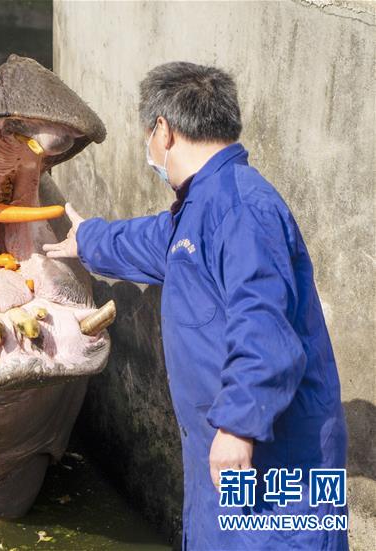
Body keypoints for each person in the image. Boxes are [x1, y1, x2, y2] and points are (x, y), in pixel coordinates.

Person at [43, 62, 348, 550]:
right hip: (229, 450)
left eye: (148, 135)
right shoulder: (205, 205)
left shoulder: (243, 209)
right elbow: (157, 242)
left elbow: (263, 328)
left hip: (270, 461)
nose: (150, 148)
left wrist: (237, 427)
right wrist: (91, 240)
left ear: (163, 130)